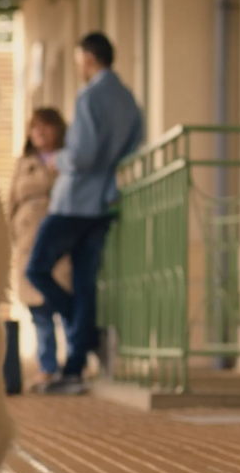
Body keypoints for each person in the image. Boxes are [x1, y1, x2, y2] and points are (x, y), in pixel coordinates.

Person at [26, 33, 143, 395]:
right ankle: (75, 366)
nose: (79, 68)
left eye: (79, 61)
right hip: (104, 203)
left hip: (75, 201)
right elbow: (133, 148)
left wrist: (58, 160)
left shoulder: (90, 95)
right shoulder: (129, 102)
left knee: (36, 269)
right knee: (85, 282)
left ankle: (86, 333)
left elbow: (81, 156)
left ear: (90, 59)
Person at [8, 108, 73, 390]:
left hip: (60, 238)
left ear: (57, 130)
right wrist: (13, 231)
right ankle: (47, 367)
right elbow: (10, 201)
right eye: (35, 129)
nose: (40, 134)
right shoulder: (24, 164)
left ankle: (72, 366)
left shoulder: (68, 158)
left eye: (46, 128)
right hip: (28, 239)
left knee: (64, 302)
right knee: (38, 311)